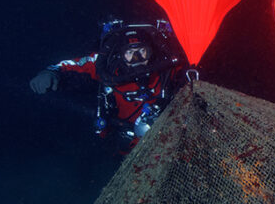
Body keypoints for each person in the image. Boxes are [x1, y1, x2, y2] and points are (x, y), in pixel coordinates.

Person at [30, 20, 182, 152]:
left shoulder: (166, 68)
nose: (137, 58)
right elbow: (76, 63)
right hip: (129, 148)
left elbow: (190, 63)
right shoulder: (109, 68)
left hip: (172, 140)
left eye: (142, 51)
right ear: (121, 55)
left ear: (151, 52)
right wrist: (52, 71)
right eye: (130, 53)